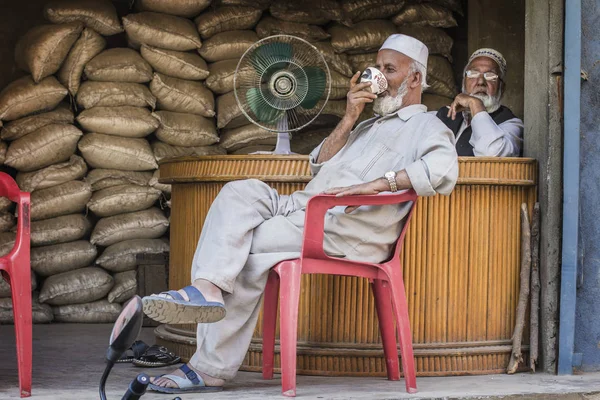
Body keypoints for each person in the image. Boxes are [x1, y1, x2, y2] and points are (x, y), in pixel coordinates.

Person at [143, 34, 459, 394]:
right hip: (304, 207)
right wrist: (350, 116)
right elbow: (318, 166)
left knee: (247, 247)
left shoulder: (428, 126)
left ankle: (208, 367)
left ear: (414, 79)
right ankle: (208, 288)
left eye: (390, 70)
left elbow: (442, 170)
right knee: (238, 192)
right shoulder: (370, 125)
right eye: (377, 67)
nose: (378, 77)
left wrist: (376, 184)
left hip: (344, 226)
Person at [436, 48, 524, 157]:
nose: (481, 82)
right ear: (464, 82)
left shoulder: (511, 124)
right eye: (473, 74)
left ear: (502, 88)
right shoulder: (444, 115)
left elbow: (491, 154)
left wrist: (476, 104)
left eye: (491, 76)